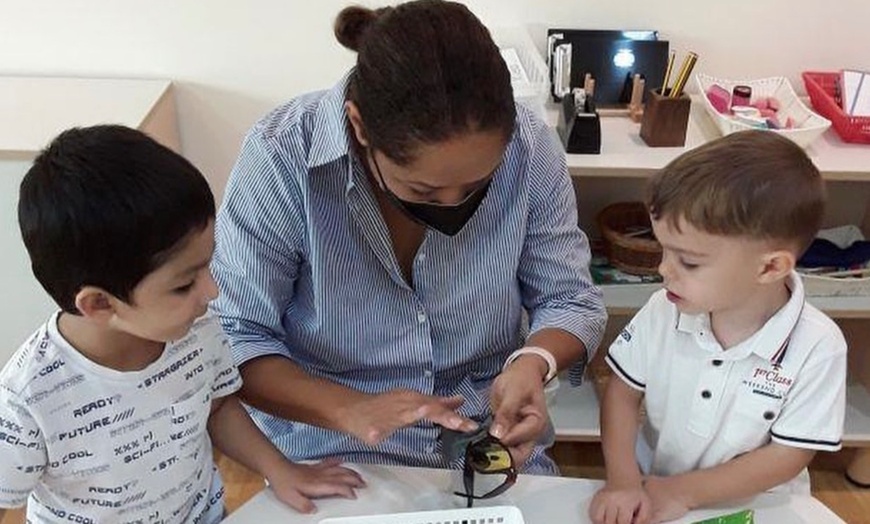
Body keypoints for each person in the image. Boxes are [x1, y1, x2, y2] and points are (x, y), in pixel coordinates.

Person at [211, 0, 606, 476]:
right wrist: (348, 408)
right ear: (359, 126)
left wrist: (533, 363)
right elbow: (236, 335)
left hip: (483, 435)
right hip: (327, 446)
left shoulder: (531, 148)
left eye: (479, 184)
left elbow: (570, 300)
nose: (453, 204)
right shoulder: (281, 156)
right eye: (423, 190)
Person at [0, 126, 365, 524]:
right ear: (100, 303)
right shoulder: (28, 399)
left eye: (208, 265)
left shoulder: (195, 331)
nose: (212, 291)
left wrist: (279, 469)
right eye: (184, 283)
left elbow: (219, 404)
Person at [589, 130, 847, 524]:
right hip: (656, 488)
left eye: (688, 262)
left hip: (758, 506)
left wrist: (687, 493)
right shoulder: (666, 309)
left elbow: (789, 454)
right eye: (663, 249)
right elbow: (623, 392)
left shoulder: (819, 346)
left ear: (770, 267)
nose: (663, 269)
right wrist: (623, 480)